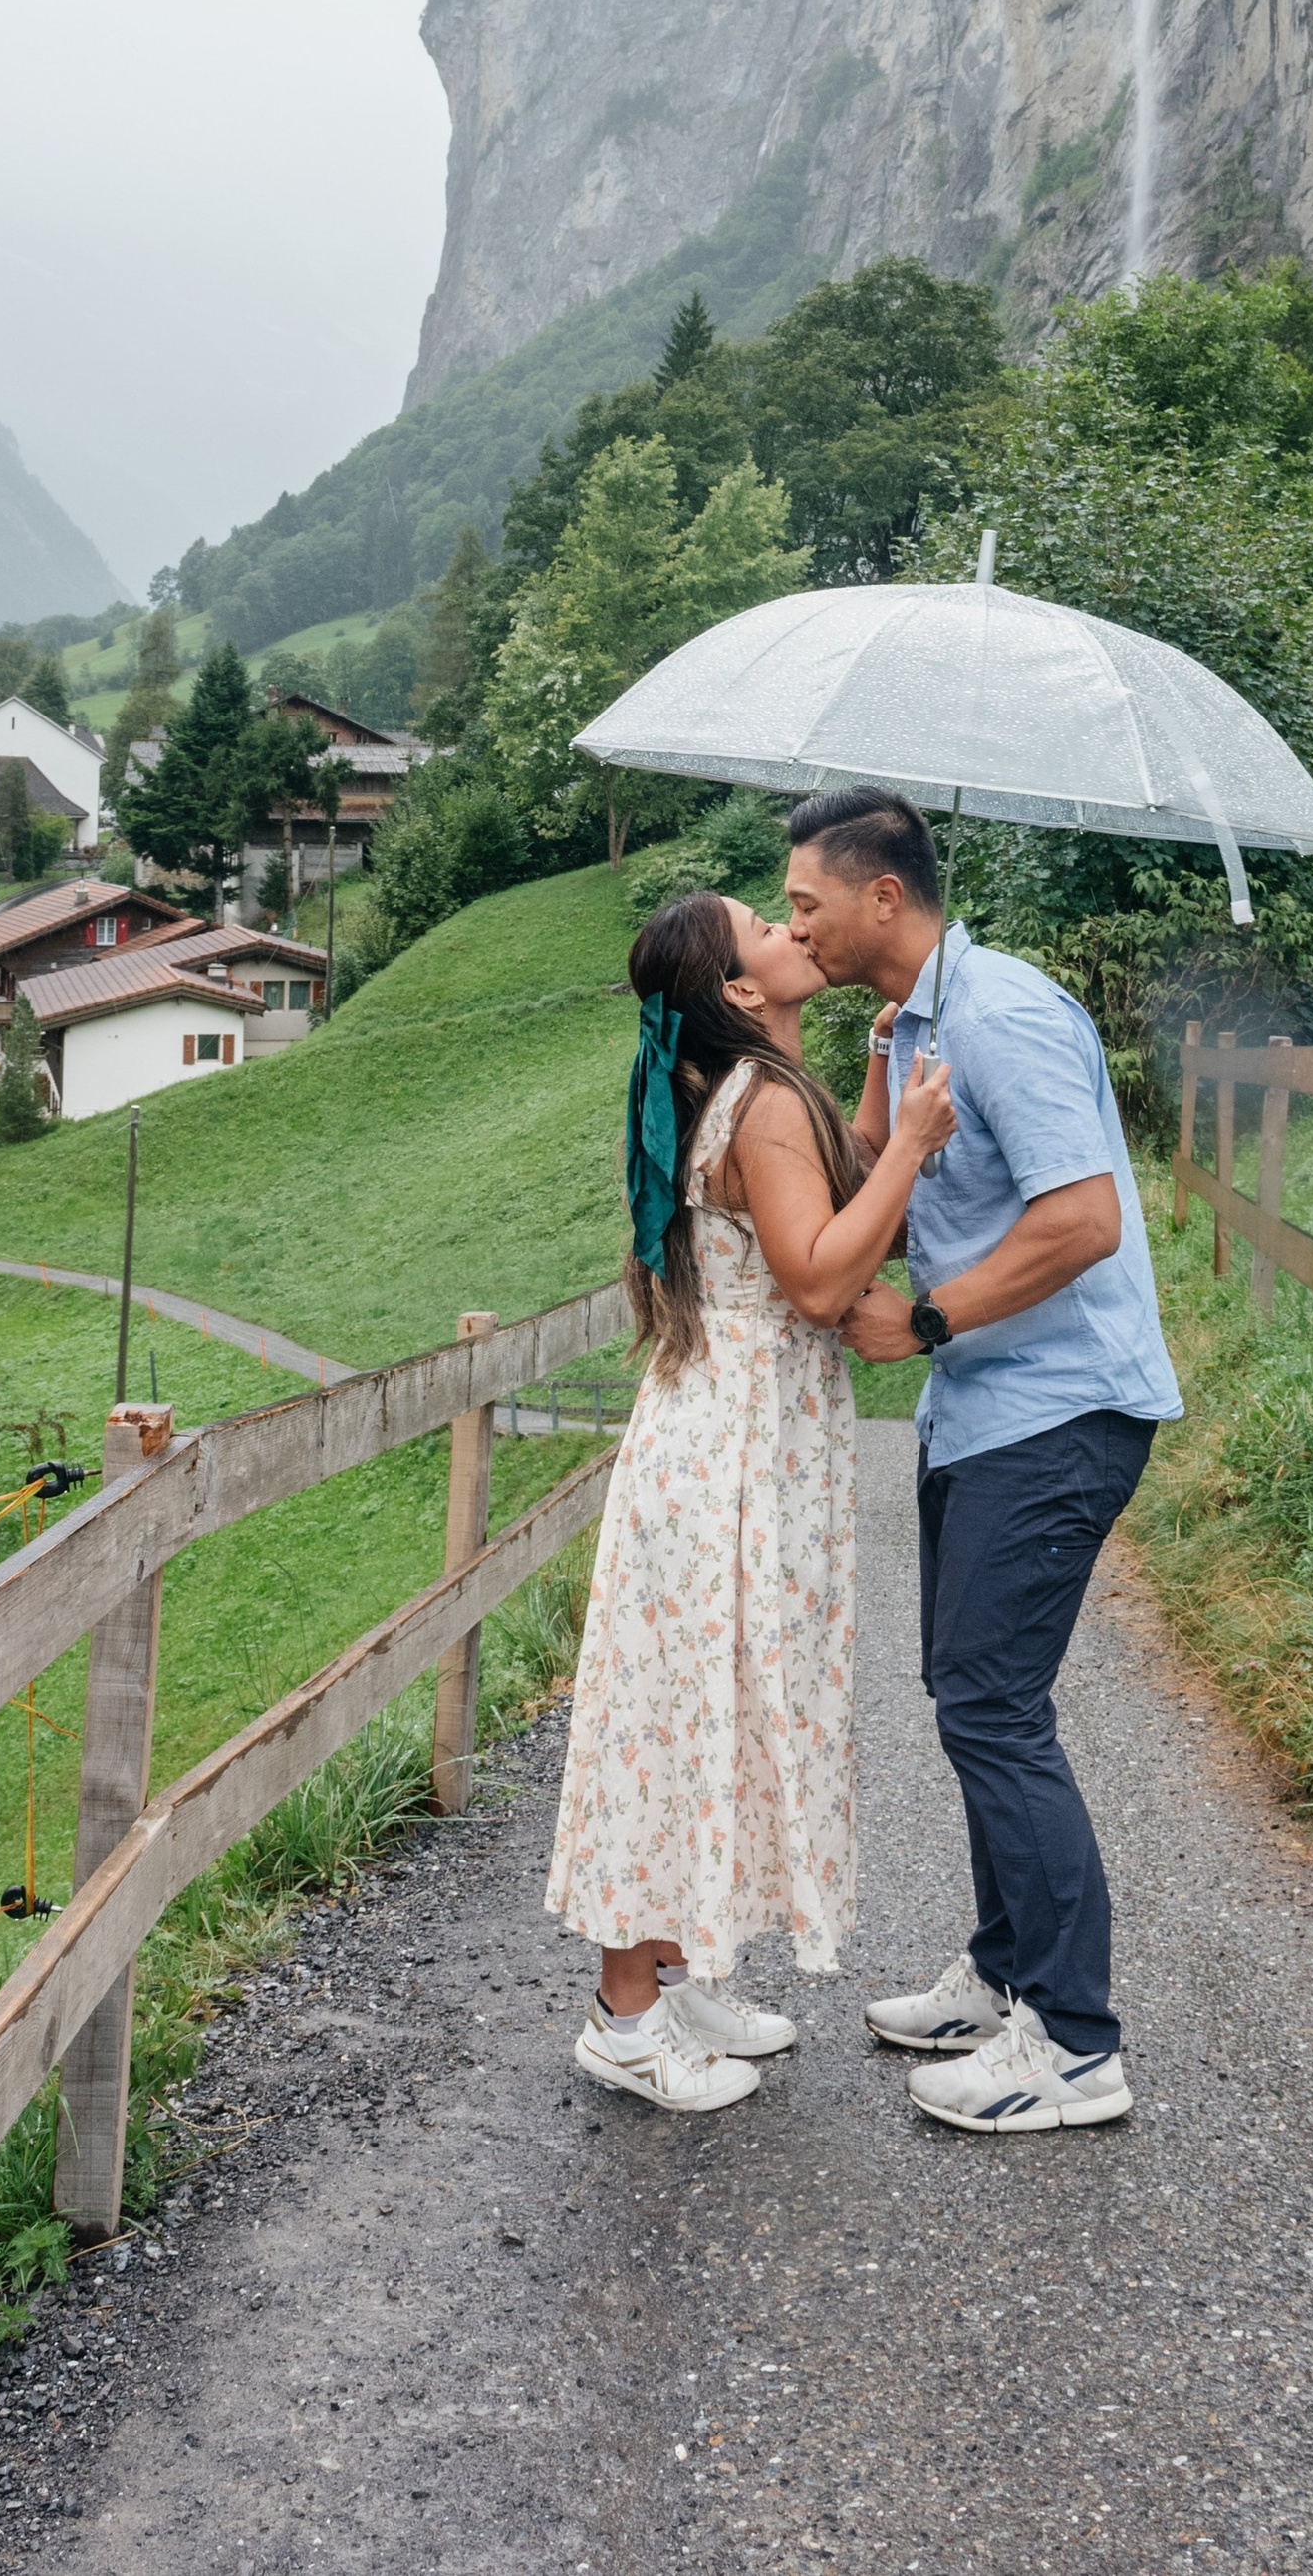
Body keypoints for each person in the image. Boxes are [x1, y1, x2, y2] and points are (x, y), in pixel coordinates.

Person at [787, 785, 1182, 2135]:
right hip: (984, 1409)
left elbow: (1081, 1218)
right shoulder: (917, 1022)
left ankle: (1073, 2041)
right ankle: (1007, 1969)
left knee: (995, 1705)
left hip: (1057, 1406)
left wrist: (929, 1318)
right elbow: (878, 1185)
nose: (797, 922)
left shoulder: (1003, 1010)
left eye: (805, 900)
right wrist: (875, 1073)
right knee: (970, 1694)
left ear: (880, 894)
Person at [545, 887, 954, 2115]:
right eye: (764, 929)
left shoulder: (750, 1089)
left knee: (697, 1708)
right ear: (737, 989)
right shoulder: (762, 1102)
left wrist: (881, 1095)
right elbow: (826, 1279)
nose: (792, 932)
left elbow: (832, 1202)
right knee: (681, 1711)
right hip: (728, 1453)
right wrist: (921, 1146)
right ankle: (623, 2016)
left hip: (724, 1438)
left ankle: (666, 1976)